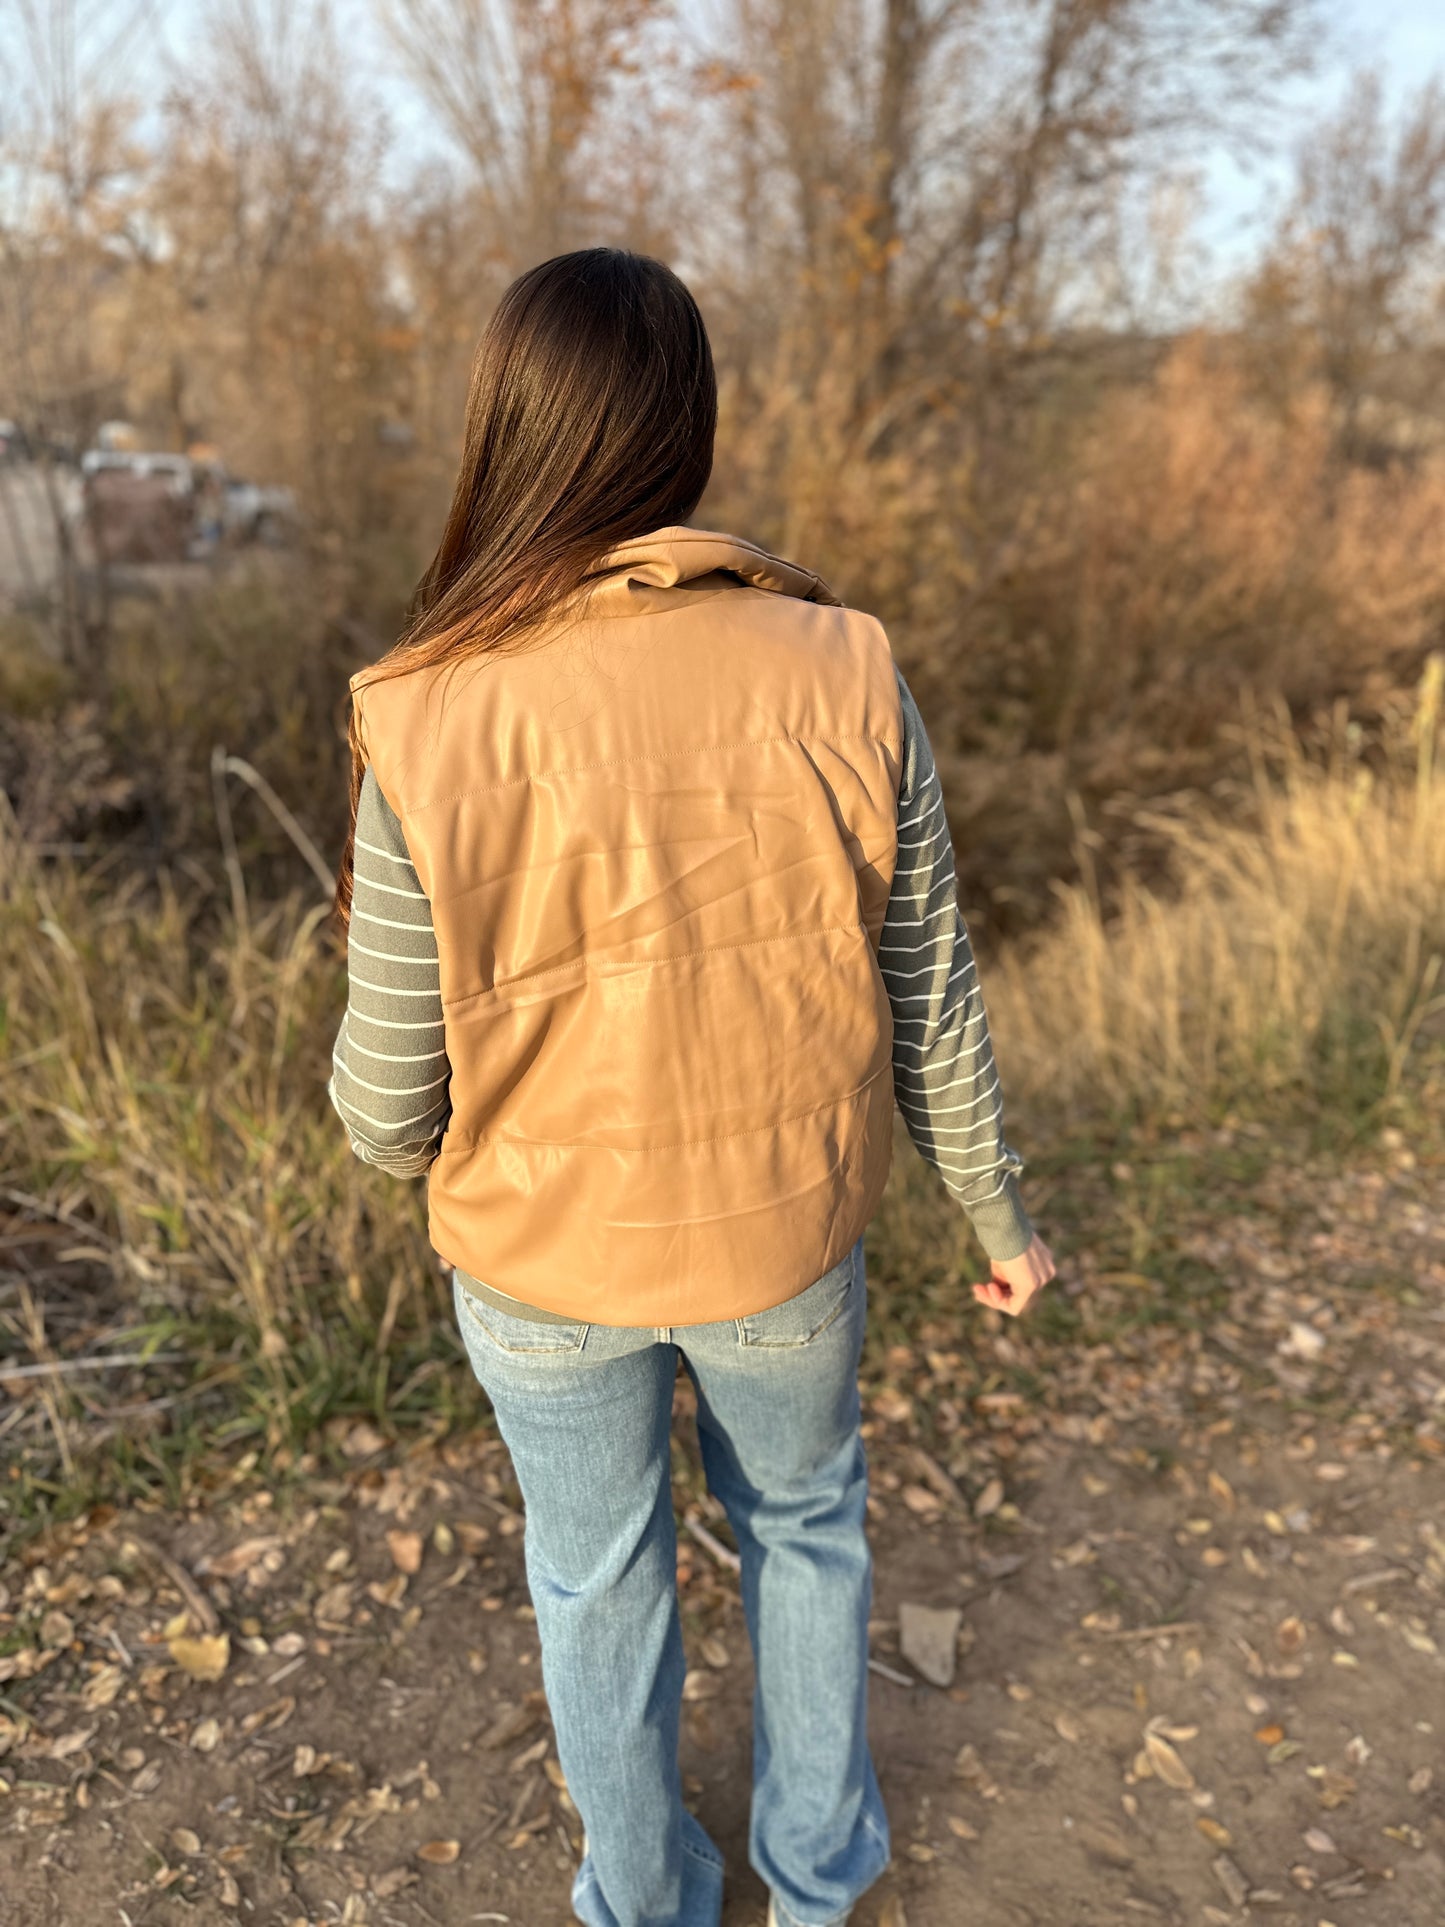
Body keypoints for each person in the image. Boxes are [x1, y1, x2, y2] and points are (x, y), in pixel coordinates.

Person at [328, 247, 1055, 1927]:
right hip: (780, 1241)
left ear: (503, 432)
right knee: (807, 1527)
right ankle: (818, 1883)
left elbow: (381, 1107)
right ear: (688, 428)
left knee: (593, 1577)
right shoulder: (845, 666)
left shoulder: (420, 708)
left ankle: (643, 1899)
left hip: (536, 1259)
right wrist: (995, 1214)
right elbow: (928, 981)